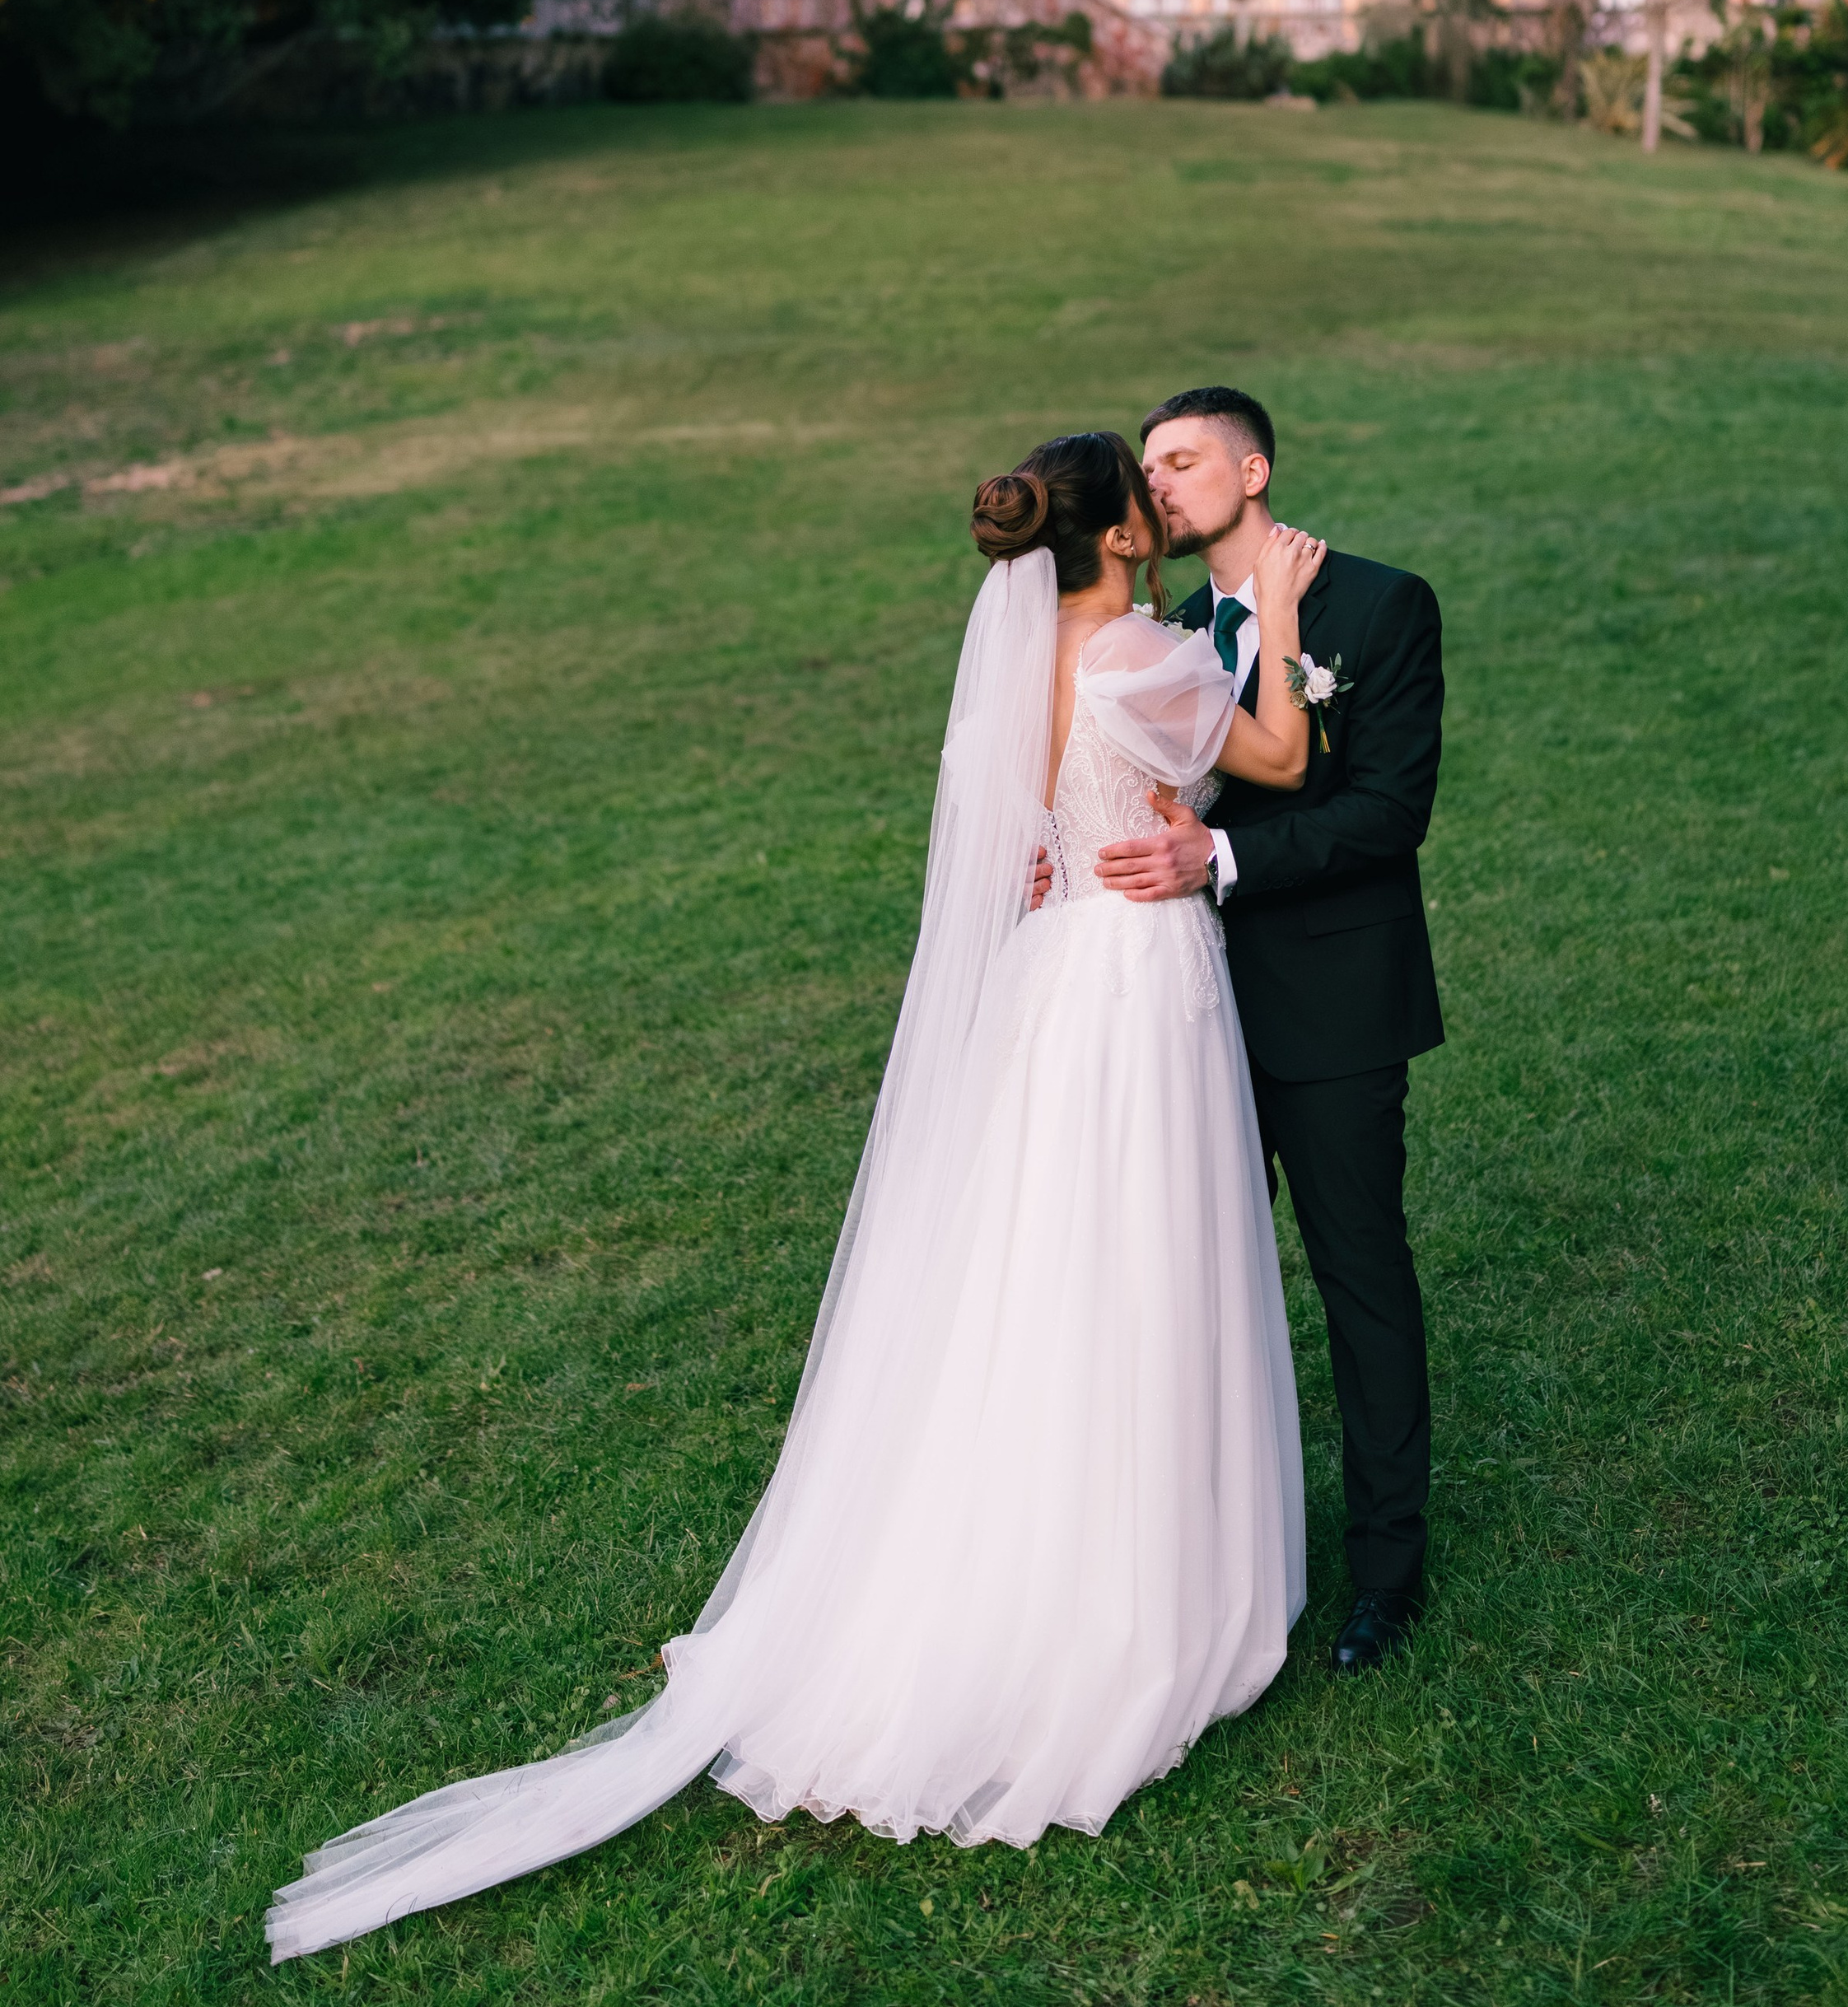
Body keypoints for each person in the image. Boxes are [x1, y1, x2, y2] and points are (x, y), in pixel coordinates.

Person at [266, 432, 1325, 1961]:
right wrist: (1277, 623)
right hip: (1131, 979)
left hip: (1049, 978)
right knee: (1139, 1264)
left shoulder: (1027, 664)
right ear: (1111, 542)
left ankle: (1020, 1552)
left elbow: (1013, 833)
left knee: (1037, 1278)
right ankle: (1129, 1601)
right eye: (1144, 500)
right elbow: (1278, 758)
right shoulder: (1143, 652)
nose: (1161, 515)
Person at [1095, 388, 1444, 1676]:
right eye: (1149, 468)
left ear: (1255, 468)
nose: (1162, 485)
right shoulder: (1166, 634)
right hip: (1178, 1022)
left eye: (1183, 460)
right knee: (1189, 1288)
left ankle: (1387, 1573)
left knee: (1360, 1278)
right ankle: (1208, 1568)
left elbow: (1387, 815)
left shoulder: (1380, 604)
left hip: (1335, 1009)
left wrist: (1220, 856)